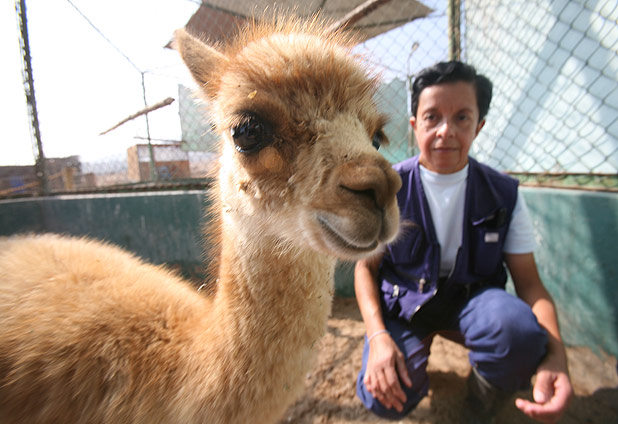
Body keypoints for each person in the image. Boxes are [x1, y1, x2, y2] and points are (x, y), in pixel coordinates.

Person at [355, 61, 573, 423]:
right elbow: (366, 268)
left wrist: (557, 354)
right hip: (405, 305)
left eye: (461, 118)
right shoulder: (390, 186)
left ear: (479, 126)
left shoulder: (502, 193)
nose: (446, 131)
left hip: (474, 302)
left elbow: (531, 285)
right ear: (415, 125)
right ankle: (413, 362)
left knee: (520, 337)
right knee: (383, 396)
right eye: (432, 117)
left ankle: (478, 403)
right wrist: (378, 336)